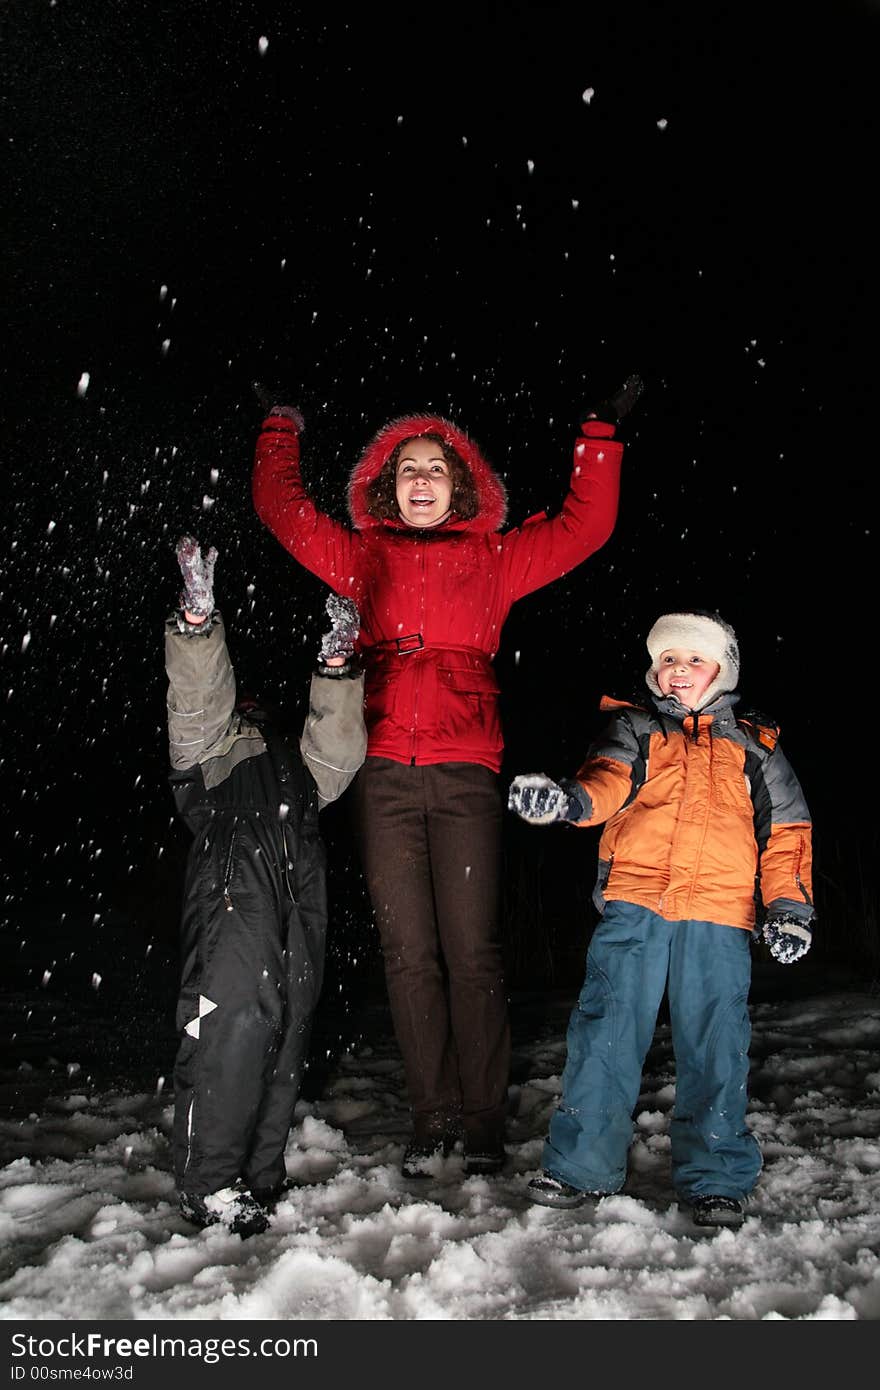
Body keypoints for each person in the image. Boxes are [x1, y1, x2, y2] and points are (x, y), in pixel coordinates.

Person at [251, 377, 642, 1178]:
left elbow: (586, 525)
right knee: (407, 954)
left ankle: (483, 1119)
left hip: (466, 772)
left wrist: (599, 433)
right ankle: (431, 1116)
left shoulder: (494, 558)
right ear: (386, 489)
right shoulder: (362, 557)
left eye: (435, 466)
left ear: (460, 483)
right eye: (406, 470)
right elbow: (282, 514)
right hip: (385, 772)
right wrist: (281, 427)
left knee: (472, 951)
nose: (421, 478)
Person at [508, 610, 815, 1228]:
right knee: (605, 1034)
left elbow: (787, 833)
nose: (677, 670)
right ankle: (580, 1169)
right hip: (636, 903)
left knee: (716, 1046)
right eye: (667, 660)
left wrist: (788, 908)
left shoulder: (756, 746)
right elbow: (605, 784)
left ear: (722, 672)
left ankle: (715, 1177)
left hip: (720, 914)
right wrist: (566, 801)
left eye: (693, 660)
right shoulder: (635, 729)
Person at [166, 535, 366, 1236]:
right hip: (235, 880)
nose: (250, 712)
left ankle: (256, 1177)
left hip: (299, 887)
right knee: (231, 1024)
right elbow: (198, 697)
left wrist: (336, 669)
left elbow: (338, 757)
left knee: (286, 1028)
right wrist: (198, 626)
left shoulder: (297, 765)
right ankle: (211, 1182)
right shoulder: (210, 749)